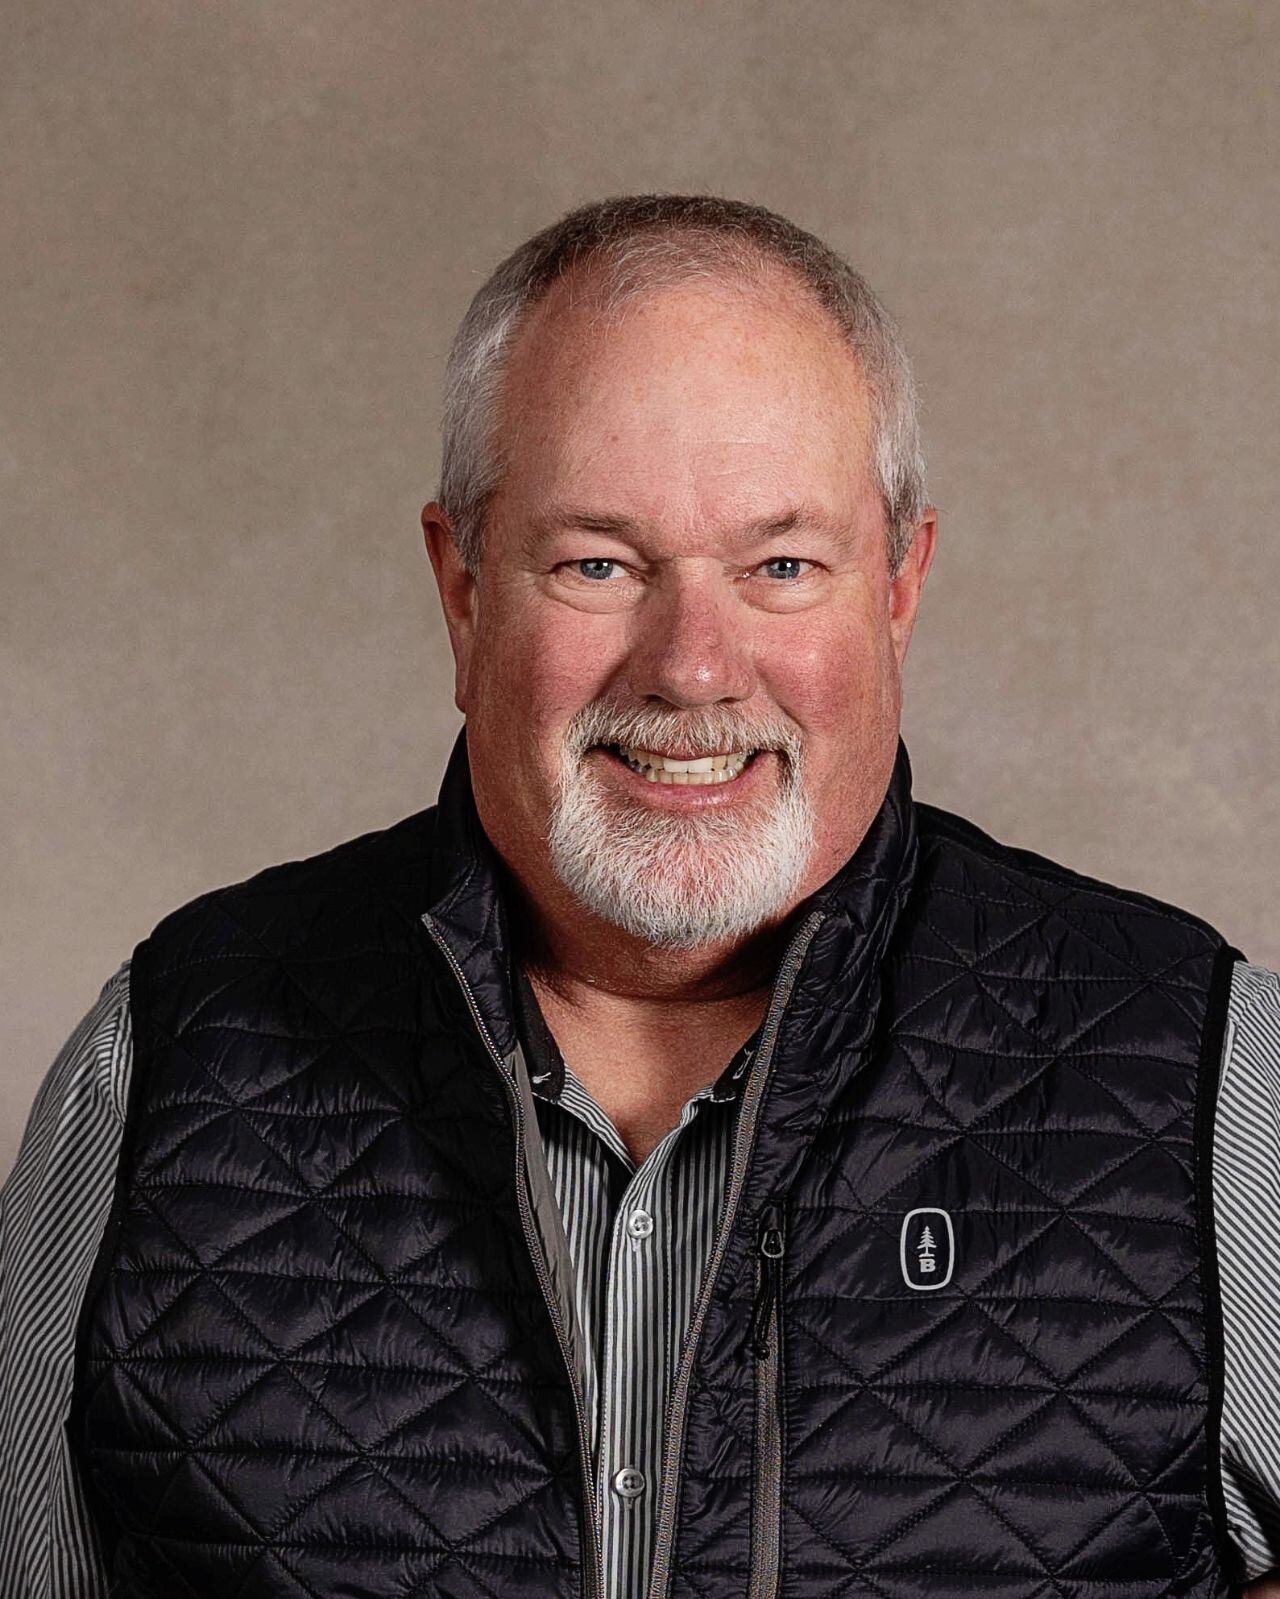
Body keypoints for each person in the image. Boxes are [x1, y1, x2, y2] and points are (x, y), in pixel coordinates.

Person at [1, 193, 1277, 1599]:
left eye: (781, 565)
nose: (692, 666)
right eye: (598, 564)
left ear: (899, 588)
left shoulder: (1208, 1079)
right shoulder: (165, 1062)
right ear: (463, 591)